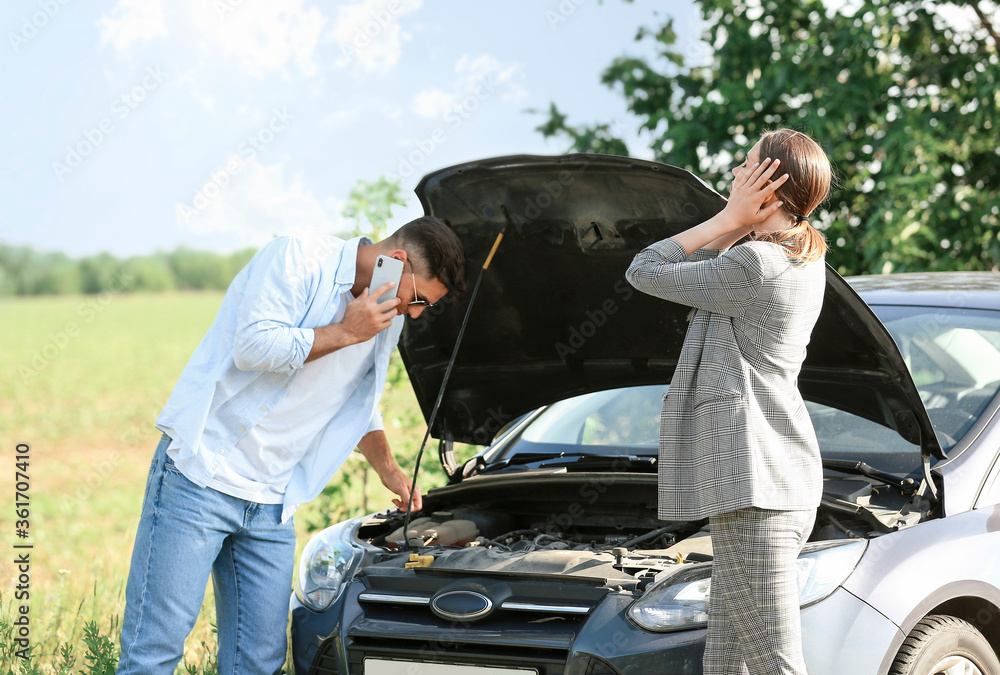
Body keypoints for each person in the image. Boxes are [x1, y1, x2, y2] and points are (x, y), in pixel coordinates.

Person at [116, 216, 466, 675]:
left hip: (273, 503)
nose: (416, 313)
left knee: (258, 662)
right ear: (397, 261)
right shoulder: (298, 258)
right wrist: (346, 331)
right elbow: (253, 346)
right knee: (153, 653)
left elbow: (356, 400)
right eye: (418, 298)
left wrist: (388, 468)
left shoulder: (385, 316)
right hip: (201, 478)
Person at [625, 128, 833, 675]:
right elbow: (690, 276)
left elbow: (644, 270)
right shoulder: (788, 259)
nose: (734, 177)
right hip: (763, 484)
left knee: (772, 664)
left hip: (757, 488)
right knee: (727, 663)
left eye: (746, 169)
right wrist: (740, 221)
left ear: (769, 184)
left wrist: (726, 220)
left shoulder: (755, 267)